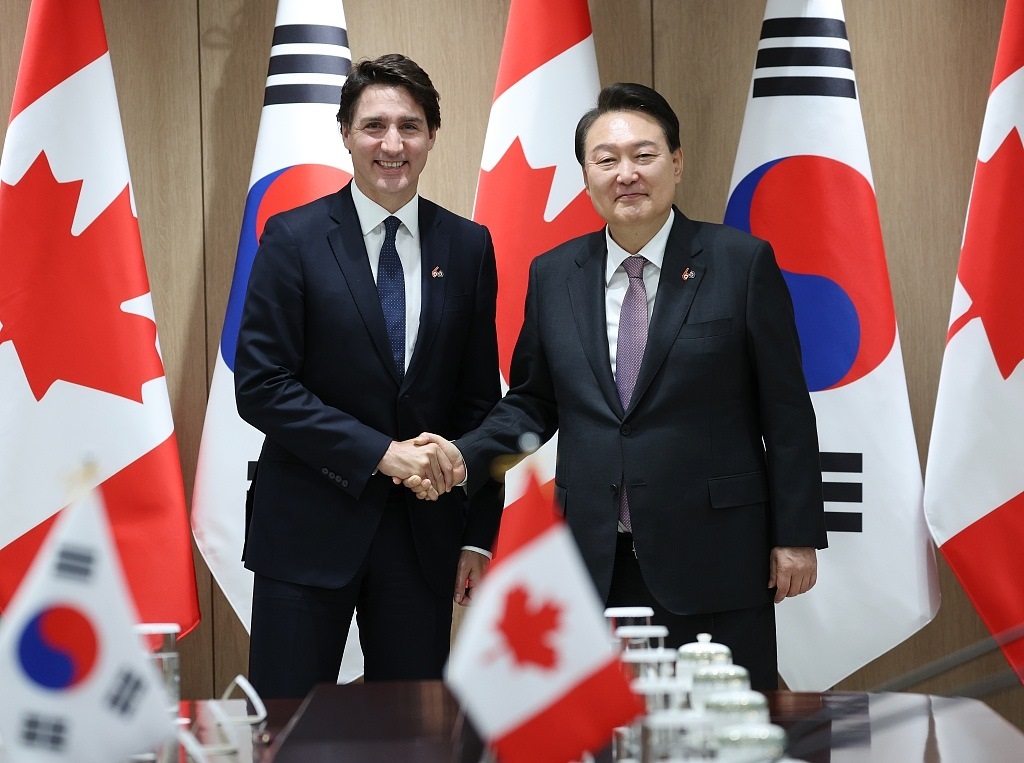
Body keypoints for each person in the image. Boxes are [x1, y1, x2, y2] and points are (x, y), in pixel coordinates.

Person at [410, 83, 827, 690]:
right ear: (586, 176)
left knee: (719, 724)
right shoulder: (554, 274)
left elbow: (785, 411)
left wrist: (796, 536)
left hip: (715, 554)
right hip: (594, 557)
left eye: (644, 155)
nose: (625, 174)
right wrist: (460, 455)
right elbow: (532, 401)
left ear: (676, 163)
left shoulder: (740, 263)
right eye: (605, 160)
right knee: (604, 728)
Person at [234, 53, 502, 698]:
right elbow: (262, 385)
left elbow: (479, 403)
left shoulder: (468, 246)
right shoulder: (293, 238)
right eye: (374, 126)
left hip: (424, 538)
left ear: (432, 136)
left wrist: (478, 537)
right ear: (346, 134)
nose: (392, 144)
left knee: (412, 731)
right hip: (306, 529)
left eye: (410, 127)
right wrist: (381, 453)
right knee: (288, 728)